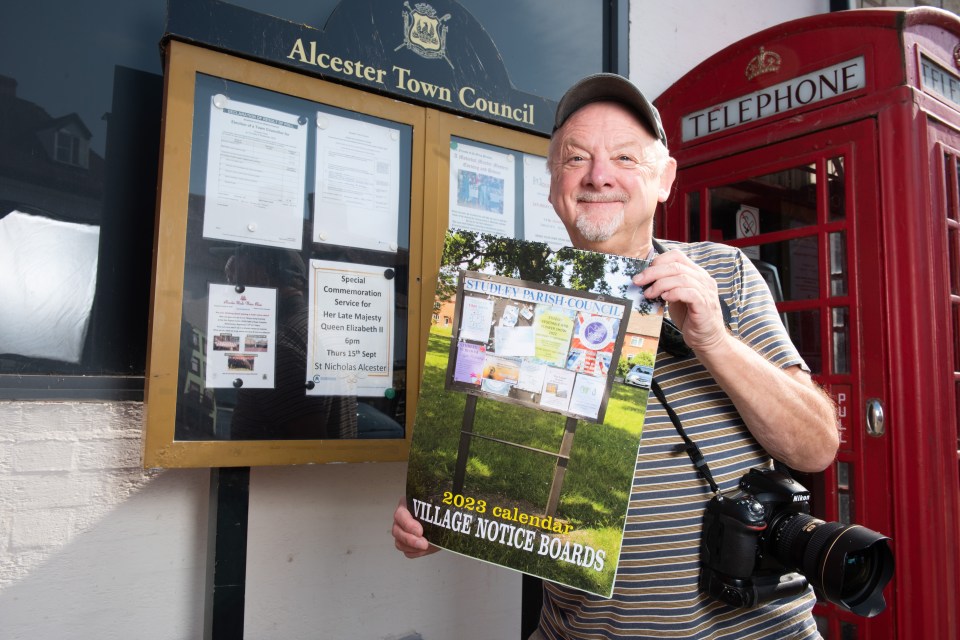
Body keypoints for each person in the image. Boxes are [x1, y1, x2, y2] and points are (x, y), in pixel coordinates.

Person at [392, 73, 839, 639]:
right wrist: (440, 518)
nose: (599, 175)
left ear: (665, 180)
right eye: (576, 158)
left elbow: (816, 446)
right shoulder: (506, 301)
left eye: (625, 157)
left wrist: (714, 341)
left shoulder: (723, 274)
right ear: (554, 184)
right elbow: (495, 470)